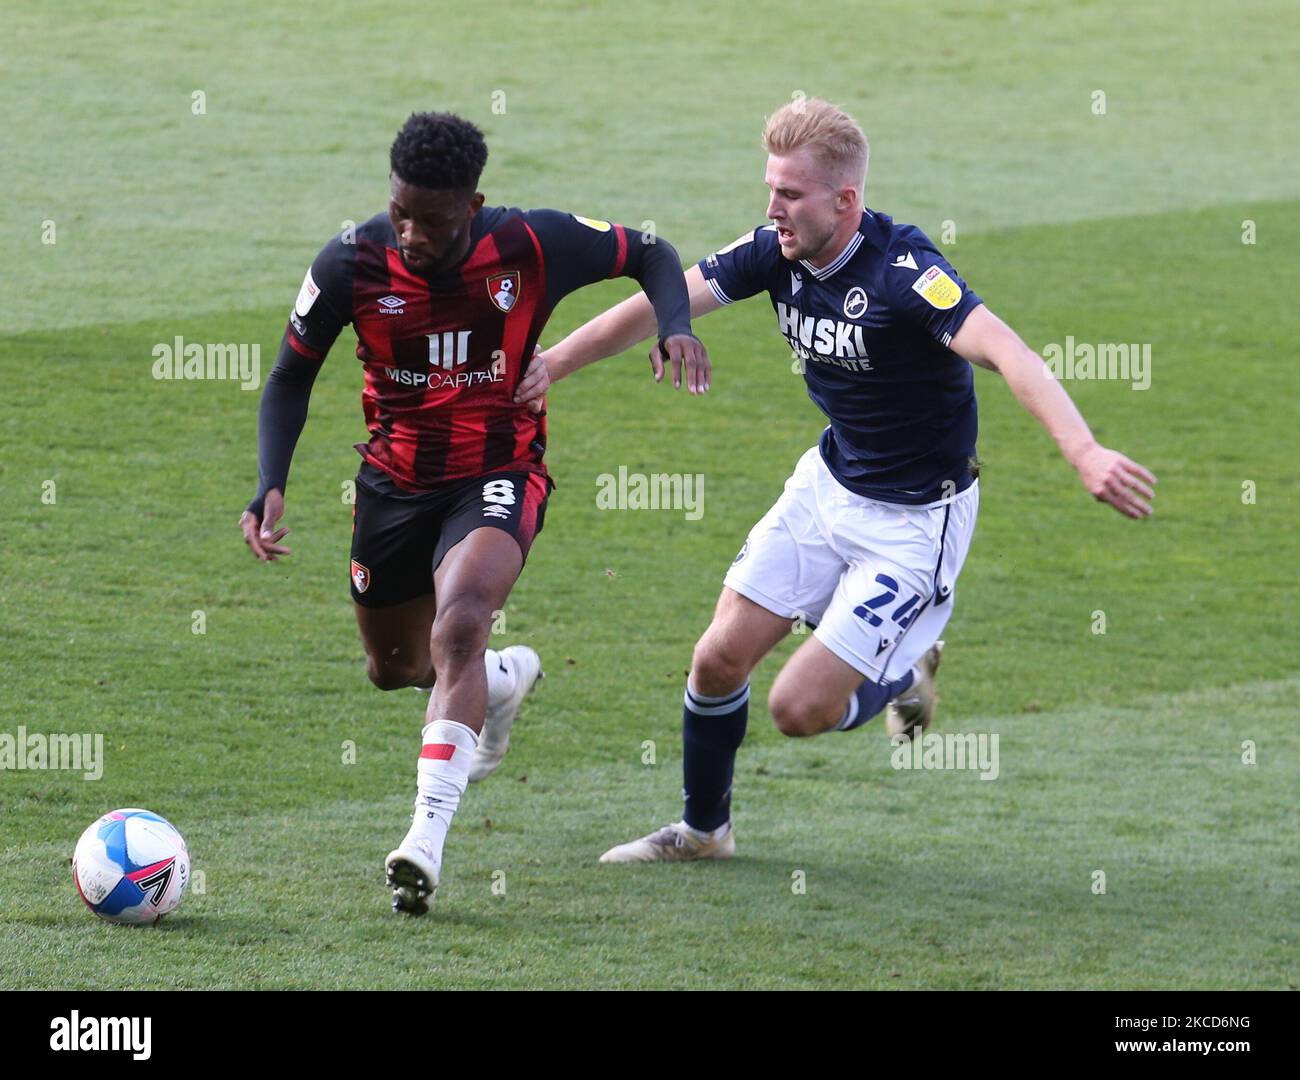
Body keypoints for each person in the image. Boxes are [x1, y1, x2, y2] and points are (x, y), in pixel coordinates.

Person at [541, 98, 1156, 863]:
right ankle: (705, 834)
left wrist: (1083, 450)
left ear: (846, 200)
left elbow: (1011, 354)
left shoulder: (906, 273)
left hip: (913, 524)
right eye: (770, 191)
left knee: (797, 709)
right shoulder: (777, 248)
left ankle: (901, 674)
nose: (773, 211)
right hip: (827, 486)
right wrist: (548, 368)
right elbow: (664, 300)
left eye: (790, 195)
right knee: (716, 659)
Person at [239, 111, 706, 909]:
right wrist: (270, 480)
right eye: (400, 211)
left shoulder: (531, 245)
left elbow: (652, 252)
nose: (412, 232)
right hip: (391, 482)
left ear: (473, 204)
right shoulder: (350, 264)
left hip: (500, 466)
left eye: (432, 218)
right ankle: (495, 681)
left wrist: (675, 324)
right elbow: (290, 376)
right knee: (397, 669)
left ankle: (424, 840)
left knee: (460, 619)